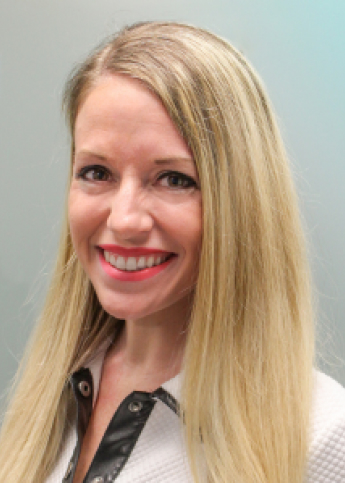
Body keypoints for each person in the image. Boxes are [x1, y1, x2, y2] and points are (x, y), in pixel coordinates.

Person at [0, 21, 344, 483]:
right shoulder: (50, 398)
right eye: (97, 171)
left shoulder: (322, 437)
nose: (124, 220)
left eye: (174, 179)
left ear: (240, 203)